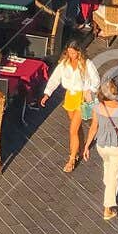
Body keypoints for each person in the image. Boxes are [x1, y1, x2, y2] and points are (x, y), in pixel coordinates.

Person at [40, 42, 100, 173]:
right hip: (70, 97)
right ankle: (81, 147)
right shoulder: (64, 64)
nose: (71, 55)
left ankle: (72, 158)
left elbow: (96, 80)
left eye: (73, 52)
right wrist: (47, 94)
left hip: (81, 98)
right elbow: (55, 78)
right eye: (69, 52)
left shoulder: (86, 63)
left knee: (72, 129)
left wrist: (89, 91)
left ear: (79, 52)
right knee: (76, 127)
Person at [83, 78, 118, 221]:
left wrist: (86, 146)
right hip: (116, 147)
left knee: (108, 167)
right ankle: (108, 208)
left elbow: (93, 128)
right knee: (114, 177)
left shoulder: (98, 108)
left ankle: (108, 185)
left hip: (101, 146)